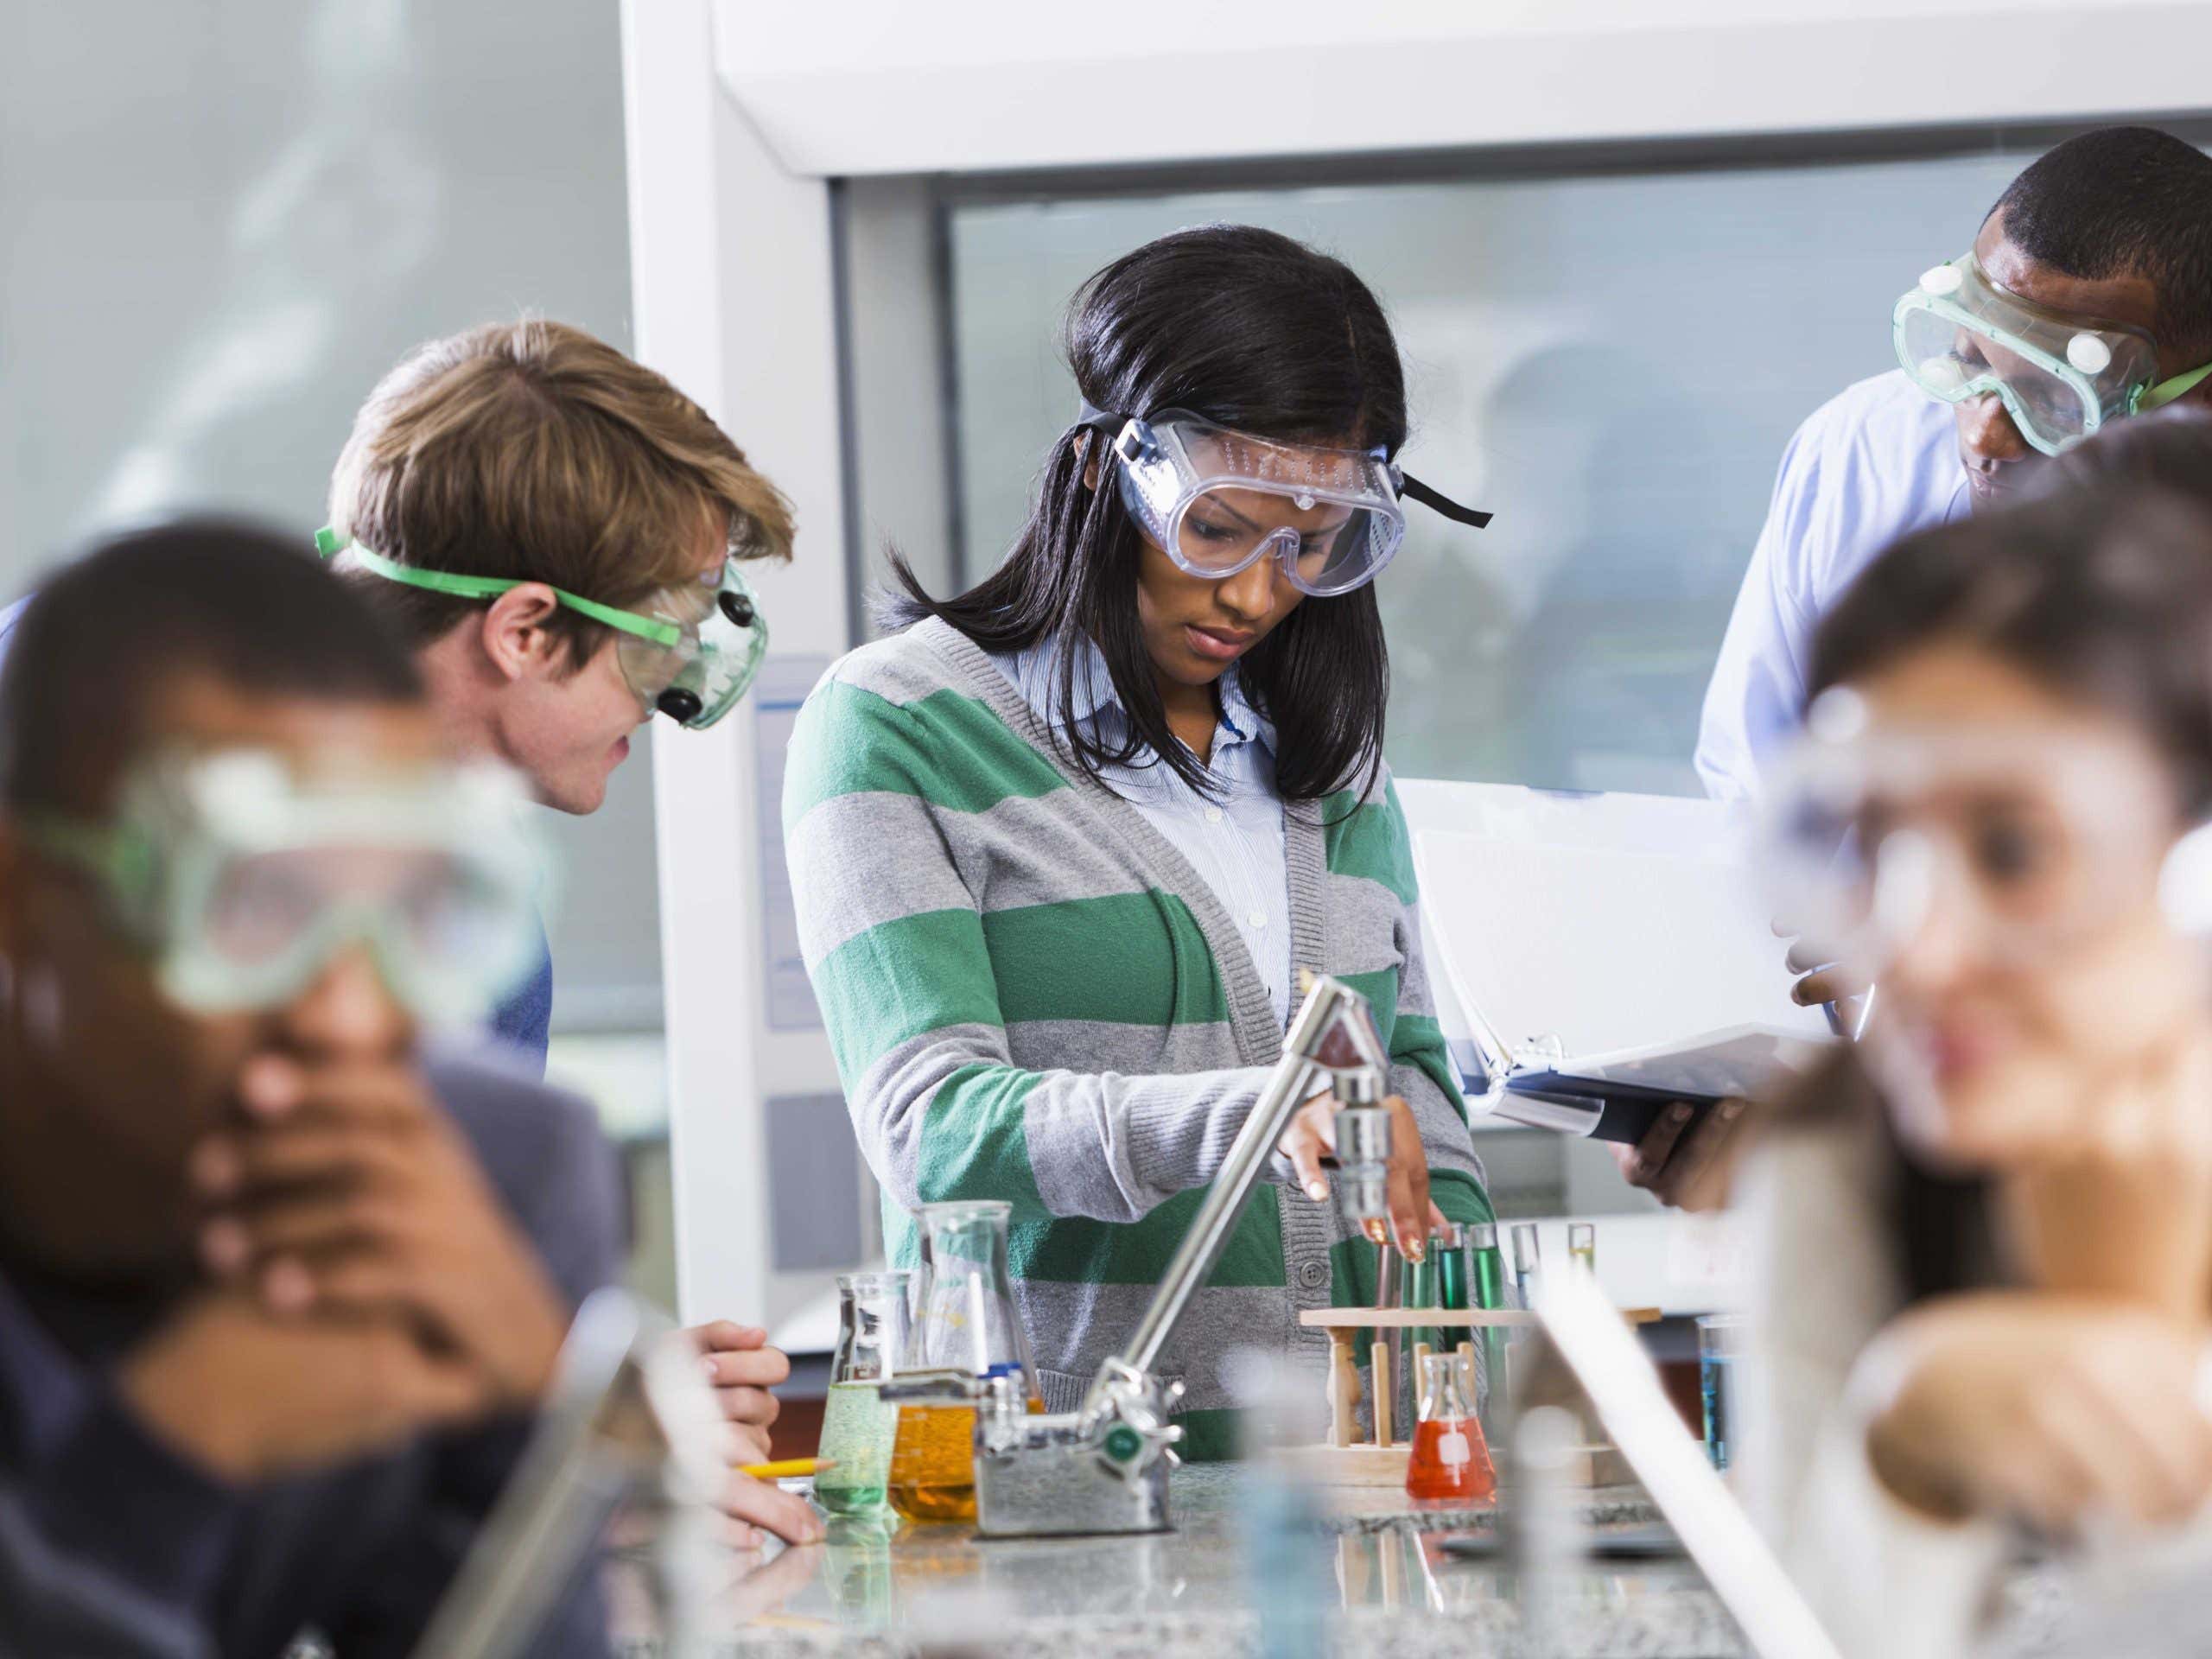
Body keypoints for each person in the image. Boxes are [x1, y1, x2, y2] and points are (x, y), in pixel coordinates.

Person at [784, 226, 1497, 1457]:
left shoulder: (1331, 767)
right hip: (1056, 1491)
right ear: (1104, 473)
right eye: (1217, 530)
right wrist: (1245, 1116)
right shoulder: (898, 724)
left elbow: (1416, 1089)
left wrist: (1452, 1334)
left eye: (1309, 544)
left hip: (1365, 1480)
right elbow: (929, 1131)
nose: (1256, 594)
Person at [0, 521, 639, 1656]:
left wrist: (527, 1435)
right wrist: (170, 1459)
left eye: (409, 910)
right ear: (21, 897)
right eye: (254, 906)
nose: (348, 1016)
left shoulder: (494, 1170)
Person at [314, 320, 802, 1513]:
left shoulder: (489, 940)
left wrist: (572, 1410)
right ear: (525, 630)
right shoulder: (87, 742)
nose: (671, 707)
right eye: (659, 657)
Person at [1733, 468, 2212, 1658]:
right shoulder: (1837, 1153)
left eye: (2012, 849)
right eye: (1869, 844)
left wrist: (2140, 1333)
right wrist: (1899, 1456)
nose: (1921, 951)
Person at [1697, 125, 2212, 810]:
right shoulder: (1861, 449)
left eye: (2055, 395)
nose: (1987, 434)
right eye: (1972, 361)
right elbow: (1759, 776)